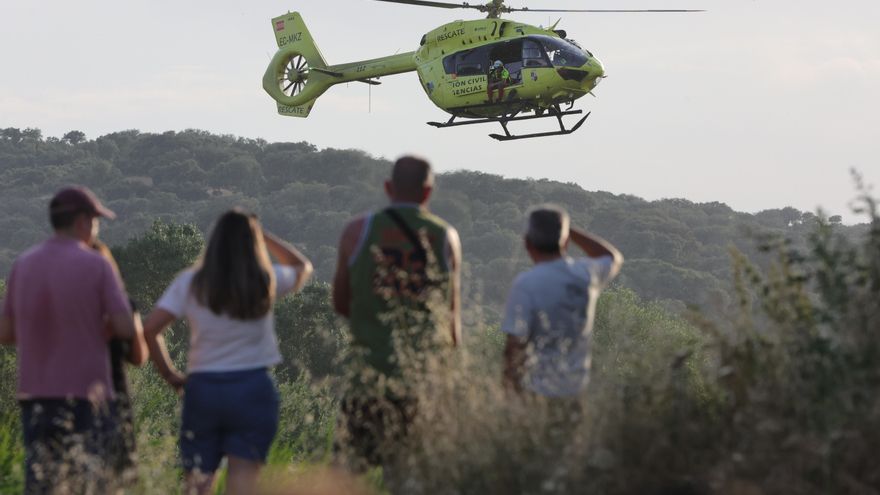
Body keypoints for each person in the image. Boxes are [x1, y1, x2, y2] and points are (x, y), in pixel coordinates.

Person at [143, 209, 313, 495]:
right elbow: (301, 267)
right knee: (243, 484)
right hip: (252, 388)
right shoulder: (265, 281)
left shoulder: (191, 283)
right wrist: (263, 235)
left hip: (203, 388)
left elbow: (150, 330)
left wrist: (170, 375)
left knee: (197, 485)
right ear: (252, 242)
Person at [0, 186, 148, 494]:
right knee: (92, 484)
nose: (97, 228)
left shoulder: (24, 264)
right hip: (88, 394)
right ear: (83, 221)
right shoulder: (98, 265)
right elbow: (124, 326)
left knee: (43, 483)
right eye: (96, 221)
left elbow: (6, 334)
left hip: (36, 395)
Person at [331, 155, 462, 471]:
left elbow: (340, 303)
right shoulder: (446, 238)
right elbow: (452, 322)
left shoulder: (357, 231)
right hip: (420, 386)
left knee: (346, 477)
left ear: (388, 187)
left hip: (368, 381)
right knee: (411, 479)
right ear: (428, 192)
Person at [502, 205, 623, 398]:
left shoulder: (525, 284)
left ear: (527, 243)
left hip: (538, 391)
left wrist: (509, 391)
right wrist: (566, 230)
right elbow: (611, 257)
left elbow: (514, 345)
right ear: (565, 242)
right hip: (577, 390)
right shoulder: (585, 275)